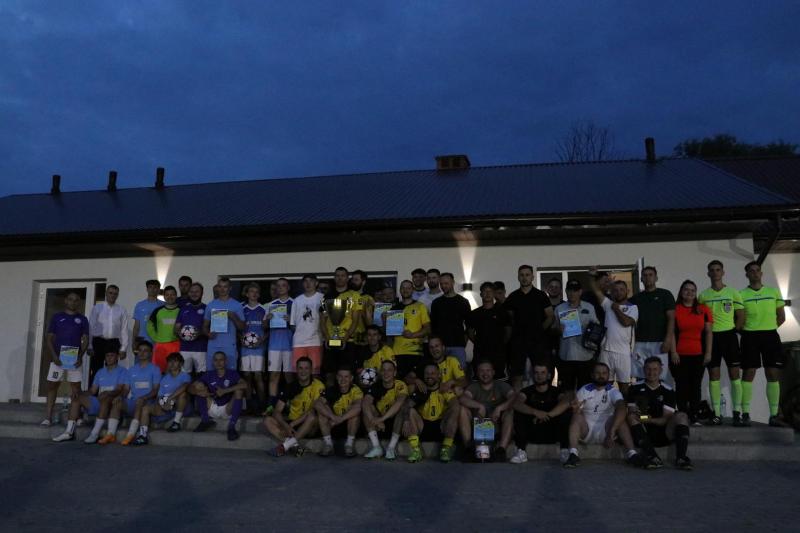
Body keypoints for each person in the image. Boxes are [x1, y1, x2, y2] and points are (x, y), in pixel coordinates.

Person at [563, 362, 649, 469]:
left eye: (604, 373)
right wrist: (575, 408)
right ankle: (573, 454)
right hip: (587, 430)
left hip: (606, 430)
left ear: (608, 375)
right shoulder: (584, 389)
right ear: (592, 375)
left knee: (621, 418)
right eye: (598, 373)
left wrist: (612, 431)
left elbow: (622, 408)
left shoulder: (613, 391)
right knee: (576, 416)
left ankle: (632, 454)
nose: (601, 375)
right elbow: (576, 410)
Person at [698, 260, 746, 425]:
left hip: (729, 337)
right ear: (708, 273)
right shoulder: (703, 296)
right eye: (712, 270)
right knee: (714, 375)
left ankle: (737, 413)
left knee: (735, 374)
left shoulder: (733, 293)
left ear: (723, 272)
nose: (715, 272)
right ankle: (717, 414)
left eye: (718, 270)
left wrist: (733, 331)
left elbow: (741, 315)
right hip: (711, 338)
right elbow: (700, 319)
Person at [739, 261, 786, 427]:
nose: (755, 273)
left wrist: (768, 329)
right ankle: (745, 414)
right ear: (747, 275)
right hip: (749, 336)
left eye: (757, 270)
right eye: (751, 271)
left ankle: (774, 415)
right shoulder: (741, 294)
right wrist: (748, 331)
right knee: (748, 373)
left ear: (761, 273)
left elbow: (781, 317)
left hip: (770, 336)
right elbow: (738, 319)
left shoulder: (773, 292)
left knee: (772, 374)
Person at [627, 357, 693, 470]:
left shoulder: (668, 390)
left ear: (661, 370)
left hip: (664, 432)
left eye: (655, 369)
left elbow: (665, 419)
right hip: (643, 431)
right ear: (643, 369)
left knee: (682, 416)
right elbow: (633, 412)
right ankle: (652, 456)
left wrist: (649, 419)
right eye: (648, 369)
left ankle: (681, 458)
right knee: (631, 416)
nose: (651, 372)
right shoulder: (635, 388)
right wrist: (643, 417)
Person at [52, 351, 127, 443]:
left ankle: (94, 434)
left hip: (112, 403)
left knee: (106, 398)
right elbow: (92, 391)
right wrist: (79, 393)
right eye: (107, 355)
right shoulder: (100, 372)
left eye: (112, 355)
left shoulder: (122, 371)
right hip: (100, 401)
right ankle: (68, 432)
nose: (109, 358)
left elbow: (119, 389)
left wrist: (108, 393)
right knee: (77, 398)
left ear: (117, 357)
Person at [42, 290, 90, 426]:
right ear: (65, 301)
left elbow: (86, 340)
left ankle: (77, 416)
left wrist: (80, 356)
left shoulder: (83, 319)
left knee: (76, 388)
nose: (73, 302)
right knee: (52, 386)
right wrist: (54, 356)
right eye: (70, 299)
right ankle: (48, 418)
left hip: (74, 359)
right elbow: (49, 338)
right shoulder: (57, 317)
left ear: (78, 302)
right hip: (58, 359)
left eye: (76, 300)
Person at [404, 363, 468, 463]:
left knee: (455, 408)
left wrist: (451, 415)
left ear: (439, 375)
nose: (429, 376)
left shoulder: (444, 389)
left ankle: (446, 449)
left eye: (433, 373)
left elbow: (454, 404)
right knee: (410, 411)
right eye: (427, 373)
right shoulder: (421, 389)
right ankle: (416, 450)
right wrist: (406, 420)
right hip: (423, 426)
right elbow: (407, 406)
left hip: (441, 427)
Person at [588, 268, 638, 395]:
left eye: (621, 289)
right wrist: (591, 276)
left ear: (627, 291)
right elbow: (596, 290)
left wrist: (616, 309)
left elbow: (626, 322)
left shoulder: (633, 307)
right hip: (606, 351)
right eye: (616, 290)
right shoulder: (608, 303)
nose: (619, 292)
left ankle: (624, 407)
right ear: (612, 292)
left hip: (624, 353)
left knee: (624, 387)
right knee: (604, 386)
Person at [670, 280, 713, 424]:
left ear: (696, 293)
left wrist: (708, 353)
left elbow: (708, 332)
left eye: (692, 290)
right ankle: (683, 415)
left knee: (696, 386)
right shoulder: (675, 309)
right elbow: (671, 332)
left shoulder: (703, 309)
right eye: (686, 290)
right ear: (681, 292)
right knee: (681, 385)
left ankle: (694, 415)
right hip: (679, 355)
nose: (689, 293)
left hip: (698, 355)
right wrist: (673, 352)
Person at [504, 265, 554, 390]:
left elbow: (550, 316)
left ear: (532, 277)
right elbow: (510, 318)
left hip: (537, 342)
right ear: (518, 277)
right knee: (517, 376)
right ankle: (517, 401)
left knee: (540, 375)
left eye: (527, 275)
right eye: (522, 275)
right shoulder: (513, 297)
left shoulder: (541, 295)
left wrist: (539, 331)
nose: (524, 277)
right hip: (518, 342)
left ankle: (540, 399)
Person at [511, 364, 572, 464]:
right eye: (536, 373)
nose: (539, 376)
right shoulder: (527, 391)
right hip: (533, 431)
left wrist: (548, 415)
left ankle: (564, 450)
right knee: (519, 411)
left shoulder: (556, 391)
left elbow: (565, 402)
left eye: (543, 373)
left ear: (548, 375)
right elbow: (516, 404)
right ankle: (521, 451)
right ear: (533, 375)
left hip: (553, 432)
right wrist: (536, 412)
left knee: (566, 411)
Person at [264, 357, 326, 456]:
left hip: (310, 425)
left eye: (306, 368)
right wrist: (286, 426)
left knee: (312, 416)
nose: (303, 371)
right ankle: (295, 446)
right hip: (293, 424)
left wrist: (291, 425)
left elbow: (313, 410)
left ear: (311, 370)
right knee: (268, 420)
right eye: (300, 368)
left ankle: (285, 446)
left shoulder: (319, 386)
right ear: (296, 369)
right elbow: (277, 411)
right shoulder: (290, 386)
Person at [459, 360, 516, 461]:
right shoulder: (474, 386)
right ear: (477, 373)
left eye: (488, 370)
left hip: (497, 426)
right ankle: (468, 449)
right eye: (482, 371)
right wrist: (480, 406)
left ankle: (501, 450)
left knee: (509, 412)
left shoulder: (500, 385)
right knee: (463, 409)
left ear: (493, 372)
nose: (485, 374)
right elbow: (463, 399)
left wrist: (500, 408)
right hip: (478, 428)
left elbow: (514, 397)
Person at [131, 352, 191, 444]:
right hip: (166, 405)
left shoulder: (185, 376)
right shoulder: (164, 379)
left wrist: (170, 398)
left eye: (175, 361)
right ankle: (143, 436)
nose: (172, 364)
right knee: (146, 408)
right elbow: (159, 396)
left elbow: (184, 387)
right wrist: (162, 404)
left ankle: (176, 423)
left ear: (180, 363)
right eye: (170, 362)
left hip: (180, 406)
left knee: (182, 395)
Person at [629, 266, 676, 384]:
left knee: (659, 375)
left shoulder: (665, 294)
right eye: (645, 275)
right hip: (640, 342)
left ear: (656, 278)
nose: (648, 277)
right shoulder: (635, 298)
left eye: (651, 275)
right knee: (640, 374)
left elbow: (671, 319)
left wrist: (668, 340)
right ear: (641, 279)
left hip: (660, 342)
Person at [112, 341, 162, 445]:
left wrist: (144, 397)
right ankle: (110, 434)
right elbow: (126, 389)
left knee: (140, 402)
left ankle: (132, 434)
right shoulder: (131, 370)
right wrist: (120, 396)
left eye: (145, 351)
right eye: (140, 350)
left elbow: (155, 390)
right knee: (117, 402)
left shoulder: (155, 369)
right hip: (134, 402)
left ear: (151, 353)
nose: (142, 353)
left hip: (148, 402)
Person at [190, 351, 248, 440]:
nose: (218, 362)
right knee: (199, 386)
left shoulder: (232, 373)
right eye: (216, 360)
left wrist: (225, 391)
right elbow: (190, 388)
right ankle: (205, 421)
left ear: (226, 361)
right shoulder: (209, 374)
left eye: (221, 360)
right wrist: (199, 392)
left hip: (227, 409)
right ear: (213, 362)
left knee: (239, 390)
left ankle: (231, 427)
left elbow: (245, 385)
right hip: (212, 407)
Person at [553, 280, 598, 392]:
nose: (572, 293)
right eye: (570, 290)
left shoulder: (589, 307)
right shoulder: (559, 308)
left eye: (575, 290)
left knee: (585, 392)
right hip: (566, 356)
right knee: (566, 391)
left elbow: (597, 328)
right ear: (566, 291)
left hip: (585, 356)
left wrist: (591, 330)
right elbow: (553, 330)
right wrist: (558, 329)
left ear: (580, 292)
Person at [321, 267, 361, 384]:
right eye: (337, 275)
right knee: (330, 374)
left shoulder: (354, 295)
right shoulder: (327, 296)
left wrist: (345, 338)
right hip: (330, 341)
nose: (340, 278)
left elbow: (355, 321)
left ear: (347, 278)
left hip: (347, 341)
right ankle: (330, 395)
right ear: (334, 278)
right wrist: (327, 338)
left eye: (343, 275)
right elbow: (322, 321)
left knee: (346, 374)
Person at [362, 360, 409, 460]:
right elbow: (365, 402)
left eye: (389, 370)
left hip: (395, 424)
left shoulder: (400, 385)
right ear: (380, 372)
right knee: (367, 408)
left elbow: (399, 402)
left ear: (394, 373)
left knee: (401, 408)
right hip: (379, 426)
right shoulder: (376, 385)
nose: (386, 373)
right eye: (383, 370)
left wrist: (381, 419)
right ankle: (376, 447)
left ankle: (391, 448)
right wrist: (373, 419)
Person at [314, 367, 363, 457]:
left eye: (346, 376)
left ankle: (349, 445)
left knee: (355, 414)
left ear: (351, 378)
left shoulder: (356, 390)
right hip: (333, 425)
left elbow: (358, 407)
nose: (343, 379)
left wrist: (341, 419)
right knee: (322, 411)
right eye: (340, 376)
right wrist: (333, 417)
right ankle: (328, 444)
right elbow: (317, 404)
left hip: (349, 427)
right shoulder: (331, 389)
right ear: (336, 377)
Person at [467, 282, 511, 378]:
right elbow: (470, 333)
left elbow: (508, 332)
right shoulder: (474, 314)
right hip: (480, 352)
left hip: (498, 353)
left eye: (490, 291)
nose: (487, 294)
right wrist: (479, 342)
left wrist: (500, 343)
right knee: (480, 378)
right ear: (481, 294)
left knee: (498, 378)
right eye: (485, 291)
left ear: (494, 294)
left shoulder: (502, 312)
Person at [87, 284, 130, 383]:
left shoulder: (121, 310)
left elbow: (124, 330)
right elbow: (90, 327)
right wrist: (89, 345)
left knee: (112, 369)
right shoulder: (97, 308)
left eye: (115, 294)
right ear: (106, 293)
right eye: (110, 293)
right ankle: (94, 392)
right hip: (98, 342)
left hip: (113, 342)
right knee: (96, 369)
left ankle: (110, 391)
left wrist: (123, 348)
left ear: (117, 295)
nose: (113, 295)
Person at [390, 280, 431, 380]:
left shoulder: (420, 306)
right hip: (397, 352)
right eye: (403, 288)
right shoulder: (394, 308)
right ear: (400, 290)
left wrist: (413, 335)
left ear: (412, 290)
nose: (405, 290)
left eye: (408, 288)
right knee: (400, 383)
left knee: (415, 382)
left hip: (415, 352)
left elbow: (428, 329)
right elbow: (389, 334)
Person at [429, 273, 472, 368]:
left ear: (453, 283)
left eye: (446, 283)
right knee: (440, 373)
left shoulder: (463, 302)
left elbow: (469, 325)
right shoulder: (436, 303)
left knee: (460, 373)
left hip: (458, 345)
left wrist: (463, 342)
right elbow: (433, 326)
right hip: (440, 347)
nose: (443, 286)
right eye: (441, 284)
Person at [203, 277, 245, 370]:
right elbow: (205, 326)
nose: (222, 289)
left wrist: (233, 316)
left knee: (230, 372)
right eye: (220, 286)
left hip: (229, 344)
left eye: (225, 287)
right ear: (217, 288)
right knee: (211, 372)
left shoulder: (237, 305)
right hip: (213, 344)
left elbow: (242, 327)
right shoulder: (210, 305)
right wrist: (208, 334)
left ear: (230, 288)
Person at [290, 274, 325, 380]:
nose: (308, 283)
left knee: (315, 373)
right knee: (299, 373)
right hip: (299, 343)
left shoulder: (322, 298)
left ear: (316, 283)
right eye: (305, 281)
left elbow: (326, 319)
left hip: (316, 341)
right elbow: (292, 324)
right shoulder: (297, 300)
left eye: (311, 281)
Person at [240, 283, 267, 413]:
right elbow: (238, 328)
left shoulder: (264, 309)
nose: (254, 294)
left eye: (256, 292)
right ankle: (249, 405)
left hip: (258, 348)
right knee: (247, 376)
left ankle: (262, 405)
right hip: (245, 349)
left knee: (258, 376)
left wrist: (262, 339)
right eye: (251, 291)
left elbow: (269, 329)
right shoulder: (241, 309)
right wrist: (241, 339)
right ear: (247, 294)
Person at [175, 282, 208, 375]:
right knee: (185, 375)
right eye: (192, 292)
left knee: (201, 375)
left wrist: (199, 333)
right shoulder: (183, 309)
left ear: (202, 293)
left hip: (201, 348)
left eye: (197, 291)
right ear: (189, 293)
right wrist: (182, 334)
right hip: (185, 348)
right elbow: (176, 328)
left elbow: (210, 328)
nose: (194, 294)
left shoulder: (207, 308)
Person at [146, 285, 181, 372]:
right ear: (164, 296)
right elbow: (149, 325)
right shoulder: (157, 311)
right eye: (167, 295)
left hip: (176, 345)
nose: (170, 297)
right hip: (160, 346)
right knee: (159, 371)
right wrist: (156, 338)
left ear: (176, 296)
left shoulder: (181, 310)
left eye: (172, 294)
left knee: (175, 371)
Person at [350, 269, 375, 367]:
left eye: (356, 280)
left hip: (362, 340)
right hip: (347, 338)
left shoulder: (369, 299)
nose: (353, 282)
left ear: (363, 282)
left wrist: (364, 310)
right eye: (352, 279)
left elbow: (370, 323)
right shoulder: (347, 296)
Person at [132, 279, 162, 350]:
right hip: (142, 340)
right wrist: (134, 342)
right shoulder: (139, 305)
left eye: (155, 287)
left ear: (158, 290)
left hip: (157, 340)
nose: (152, 289)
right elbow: (136, 326)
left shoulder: (162, 305)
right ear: (147, 289)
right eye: (150, 287)